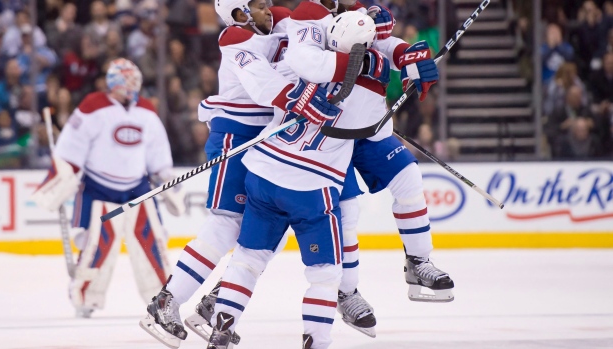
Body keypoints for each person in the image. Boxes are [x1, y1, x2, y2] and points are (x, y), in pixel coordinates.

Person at [139, 1, 345, 348]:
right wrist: (301, 97)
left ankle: (215, 305)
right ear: (239, 13)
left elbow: (318, 30)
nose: (268, 8)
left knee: (269, 230)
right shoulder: (234, 37)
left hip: (270, 139)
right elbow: (265, 87)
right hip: (236, 135)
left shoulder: (281, 21)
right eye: (259, 5)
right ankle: (167, 301)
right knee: (226, 224)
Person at [205, 11, 377, 349]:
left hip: (264, 174)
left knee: (248, 258)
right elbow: (373, 131)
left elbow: (270, 82)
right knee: (325, 273)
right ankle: (317, 341)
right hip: (311, 189)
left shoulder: (299, 63)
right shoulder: (370, 89)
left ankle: (221, 328)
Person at [283, 0, 454, 336]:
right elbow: (306, 61)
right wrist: (360, 60)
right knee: (346, 213)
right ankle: (346, 293)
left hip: (371, 129)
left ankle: (419, 262)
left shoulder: (365, 9)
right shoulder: (308, 14)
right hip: (327, 136)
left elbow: (384, 45)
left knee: (408, 178)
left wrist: (407, 56)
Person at [31, 58, 185, 318]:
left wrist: (165, 177)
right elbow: (71, 146)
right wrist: (64, 175)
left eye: (135, 80)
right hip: (97, 189)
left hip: (138, 190)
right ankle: (86, 297)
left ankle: (161, 299)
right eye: (128, 80)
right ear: (115, 82)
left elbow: (158, 151)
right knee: (97, 246)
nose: (133, 85)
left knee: (153, 245)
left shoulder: (146, 110)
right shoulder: (93, 106)